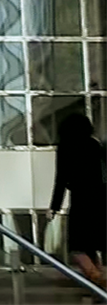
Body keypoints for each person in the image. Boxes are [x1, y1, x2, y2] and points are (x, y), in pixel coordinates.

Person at [50, 112, 106, 283]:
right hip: (101, 199)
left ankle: (98, 280)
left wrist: (54, 206)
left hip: (81, 199)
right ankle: (98, 282)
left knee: (77, 247)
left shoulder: (66, 146)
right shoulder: (94, 145)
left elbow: (61, 178)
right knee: (93, 246)